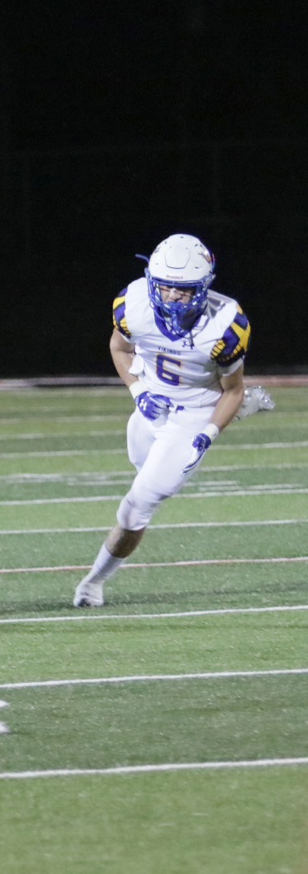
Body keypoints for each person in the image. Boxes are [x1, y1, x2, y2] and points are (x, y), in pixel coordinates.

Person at [73, 233, 250, 608]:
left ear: (203, 287)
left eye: (182, 290)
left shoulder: (225, 324)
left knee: (138, 504)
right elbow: (118, 347)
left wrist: (209, 431)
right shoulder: (133, 302)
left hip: (193, 415)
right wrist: (138, 391)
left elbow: (232, 390)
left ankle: (93, 583)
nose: (171, 296)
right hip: (151, 406)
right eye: (165, 287)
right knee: (141, 475)